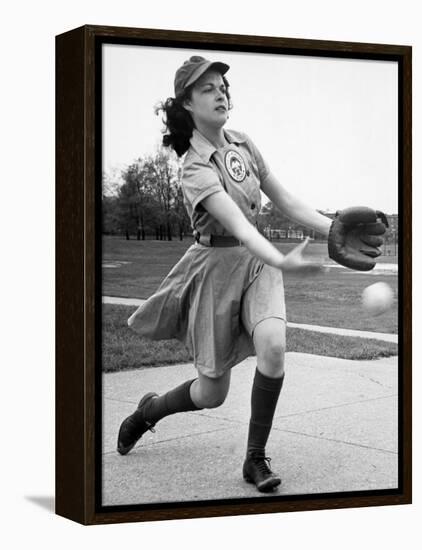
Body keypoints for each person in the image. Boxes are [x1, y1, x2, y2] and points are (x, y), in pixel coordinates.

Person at [117, 56, 386, 493]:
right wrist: (284, 259)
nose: (220, 92)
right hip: (215, 272)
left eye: (222, 85)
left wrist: (332, 226)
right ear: (186, 103)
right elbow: (238, 227)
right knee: (211, 394)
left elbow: (285, 201)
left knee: (274, 349)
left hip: (257, 265)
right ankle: (149, 412)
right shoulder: (193, 166)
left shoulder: (242, 143)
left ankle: (254, 458)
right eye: (207, 88)